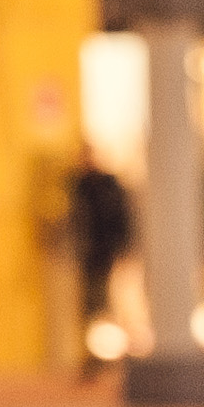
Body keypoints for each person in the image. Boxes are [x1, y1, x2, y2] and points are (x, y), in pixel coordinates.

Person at [71, 148, 134, 374]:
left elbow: (120, 218)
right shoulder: (79, 186)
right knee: (91, 305)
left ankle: (105, 353)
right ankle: (96, 353)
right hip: (87, 256)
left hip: (104, 254)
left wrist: (123, 248)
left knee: (102, 304)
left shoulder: (108, 186)